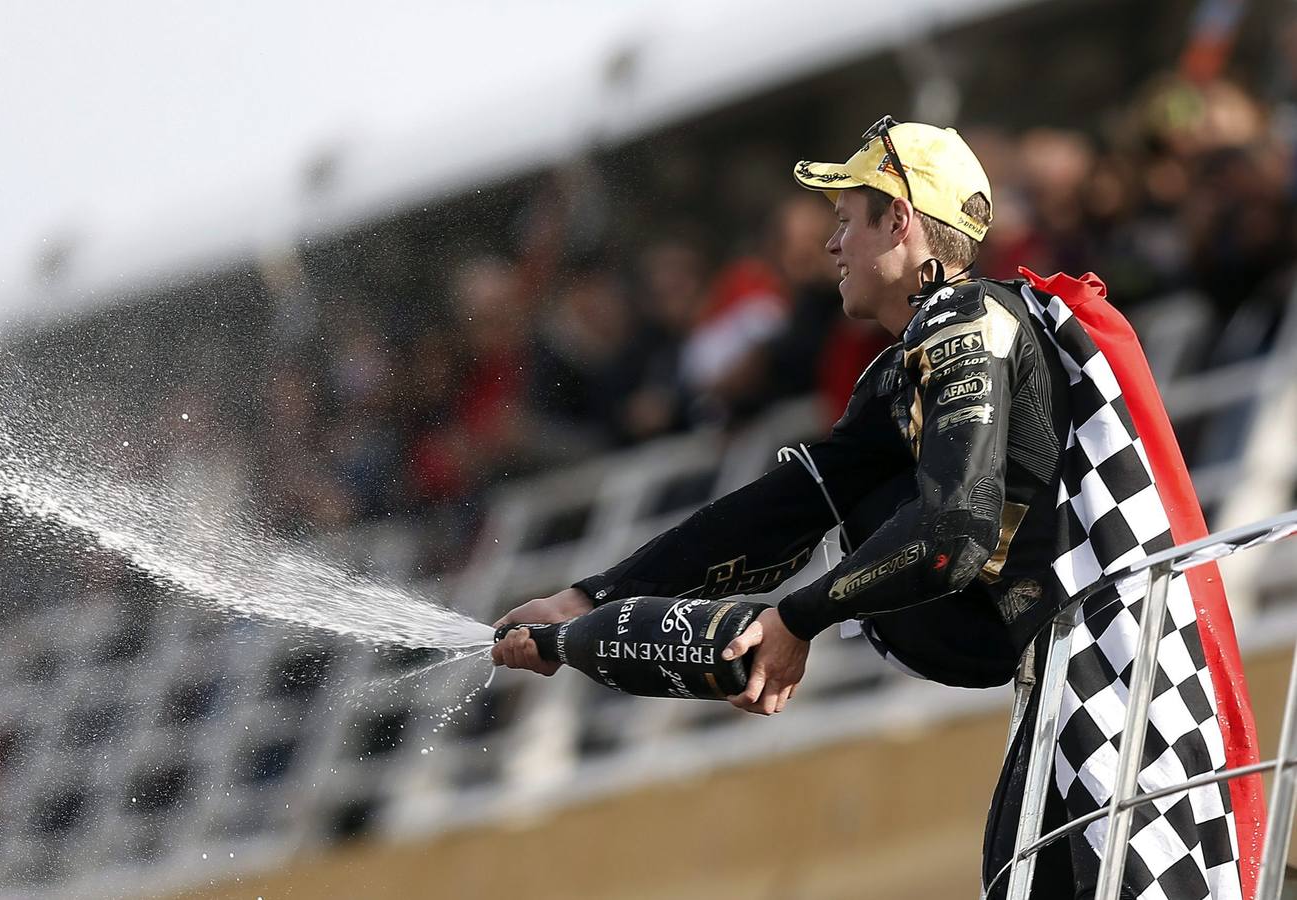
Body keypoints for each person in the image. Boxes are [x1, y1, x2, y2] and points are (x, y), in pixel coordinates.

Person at [492, 117, 1259, 899]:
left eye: (843, 222)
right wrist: (587, 597)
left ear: (898, 219)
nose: (831, 247)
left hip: (1112, 695)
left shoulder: (966, 321)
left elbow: (951, 532)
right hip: (1079, 686)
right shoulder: (912, 359)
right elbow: (786, 504)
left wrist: (796, 620)